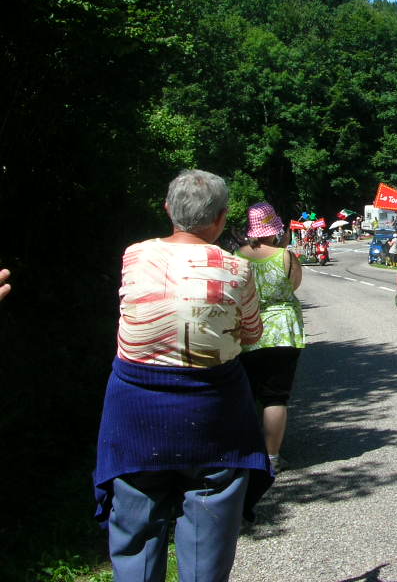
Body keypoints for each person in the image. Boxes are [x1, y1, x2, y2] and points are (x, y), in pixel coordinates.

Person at [93, 169, 272, 582]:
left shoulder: (134, 255)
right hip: (214, 411)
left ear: (168, 209)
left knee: (136, 522)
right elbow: (251, 334)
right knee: (209, 527)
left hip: (136, 410)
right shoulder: (238, 270)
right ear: (222, 219)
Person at [236, 202, 305, 474]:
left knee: (248, 393)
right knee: (276, 397)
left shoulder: (237, 255)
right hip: (282, 331)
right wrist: (285, 248)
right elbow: (295, 285)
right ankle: (273, 456)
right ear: (274, 228)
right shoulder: (285, 256)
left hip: (247, 330)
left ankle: (246, 454)